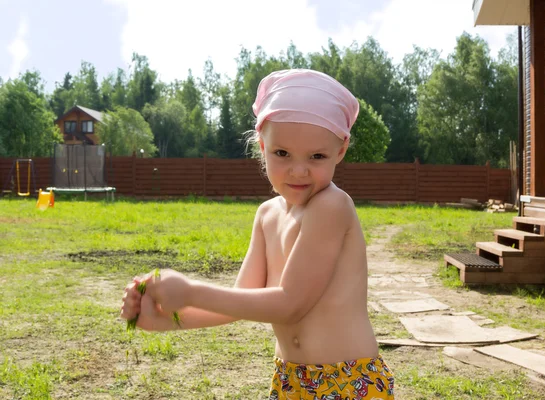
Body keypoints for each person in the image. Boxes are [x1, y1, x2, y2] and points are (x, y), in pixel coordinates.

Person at [120, 69, 395, 399]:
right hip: (290, 379)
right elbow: (237, 304)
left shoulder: (332, 206)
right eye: (282, 153)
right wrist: (163, 320)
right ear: (262, 146)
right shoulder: (267, 215)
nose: (298, 170)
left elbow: (290, 304)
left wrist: (190, 291)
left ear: (341, 150)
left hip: (347, 380)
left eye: (317, 156)